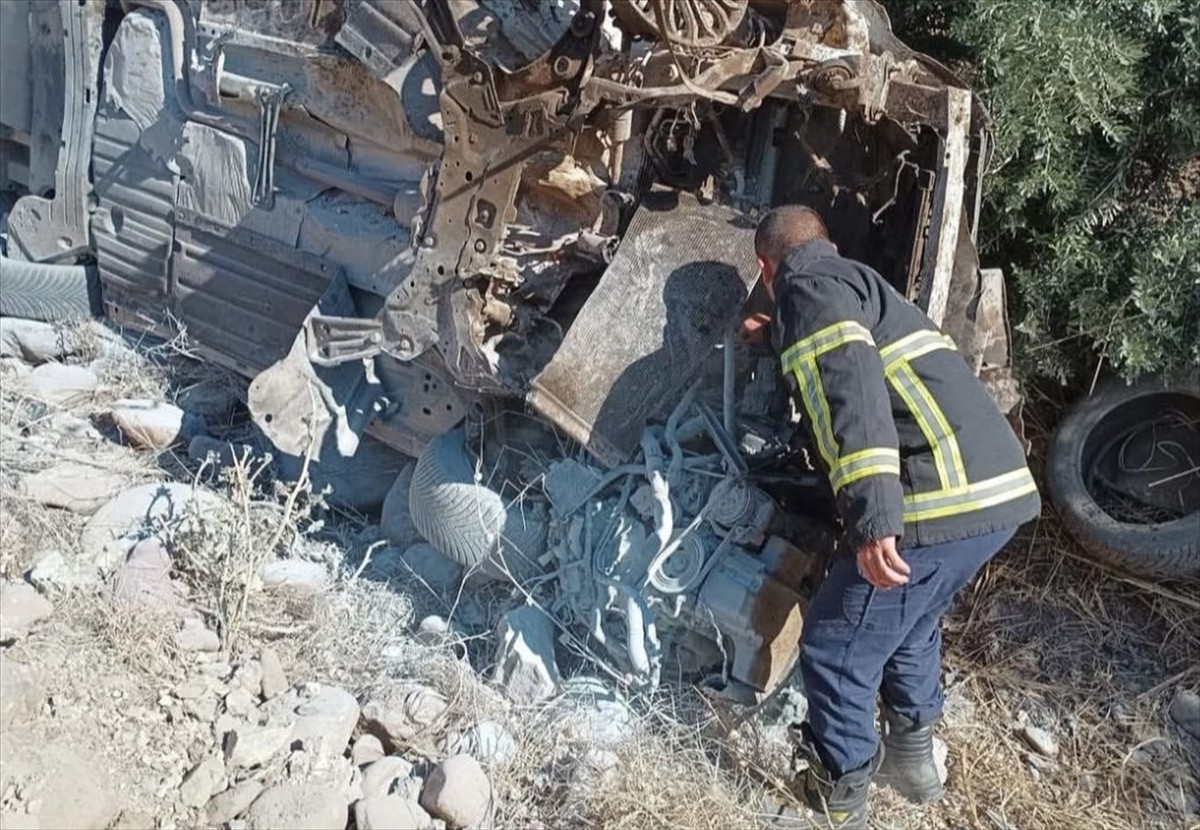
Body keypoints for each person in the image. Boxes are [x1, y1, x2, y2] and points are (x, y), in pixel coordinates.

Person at [747, 205, 1040, 829]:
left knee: (835, 644)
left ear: (764, 266)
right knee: (908, 625)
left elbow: (852, 391)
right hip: (996, 492)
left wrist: (872, 518)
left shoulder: (807, 288)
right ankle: (912, 763)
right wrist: (774, 333)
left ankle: (837, 805)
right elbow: (849, 357)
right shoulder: (845, 282)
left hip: (941, 497)